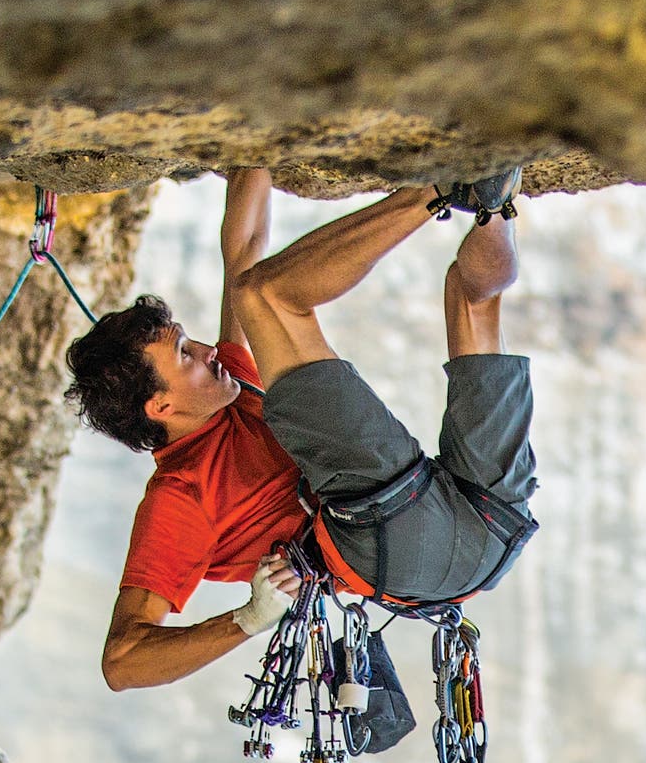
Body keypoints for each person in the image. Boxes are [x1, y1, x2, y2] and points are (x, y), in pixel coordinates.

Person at [69, 163, 536, 690]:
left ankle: (494, 200)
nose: (206, 351)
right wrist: (247, 619)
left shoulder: (226, 386)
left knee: (472, 298)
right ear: (160, 406)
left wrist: (254, 148)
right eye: (184, 354)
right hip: (393, 537)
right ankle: (437, 187)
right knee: (264, 296)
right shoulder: (178, 497)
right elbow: (122, 662)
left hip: (493, 529)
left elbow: (244, 248)